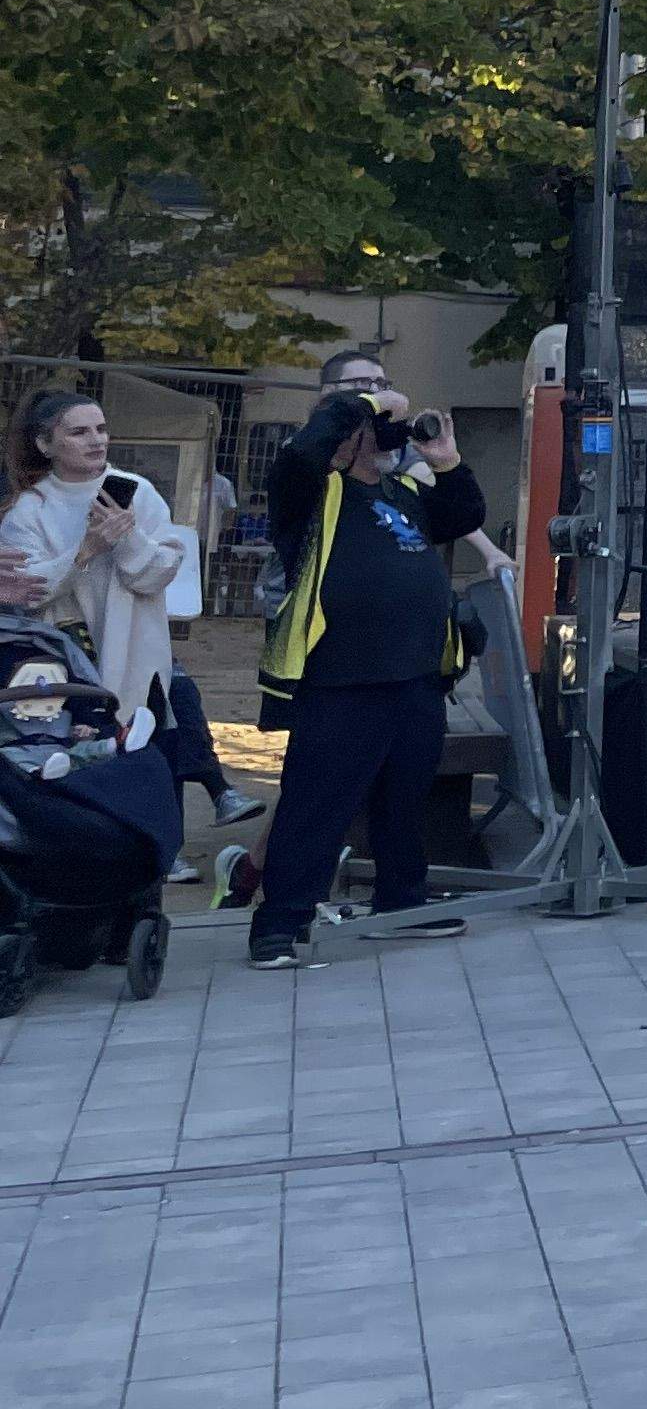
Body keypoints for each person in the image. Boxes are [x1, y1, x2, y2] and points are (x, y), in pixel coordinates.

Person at [246, 384, 483, 970]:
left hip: (416, 675)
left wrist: (444, 459)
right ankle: (280, 924)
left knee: (405, 801)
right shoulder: (310, 491)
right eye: (385, 425)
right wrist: (364, 404)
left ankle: (401, 902)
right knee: (316, 804)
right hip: (341, 679)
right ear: (352, 430)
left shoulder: (404, 491)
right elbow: (305, 454)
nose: (393, 434)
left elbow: (463, 515)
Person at [2, 394, 253, 840]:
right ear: (45, 444)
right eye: (79, 432)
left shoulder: (139, 491)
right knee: (83, 761)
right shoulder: (30, 510)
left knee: (152, 752)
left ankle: (163, 851)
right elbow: (27, 592)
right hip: (68, 661)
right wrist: (86, 550)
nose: (96, 440)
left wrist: (127, 538)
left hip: (140, 655)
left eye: (100, 428)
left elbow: (157, 574)